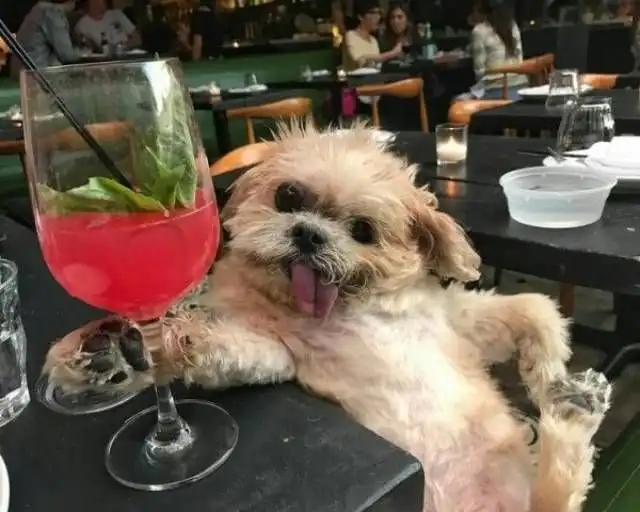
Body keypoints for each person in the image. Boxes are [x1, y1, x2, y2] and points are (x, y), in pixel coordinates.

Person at [469, 0, 527, 100]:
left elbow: (479, 72)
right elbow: (520, 60)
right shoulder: (512, 25)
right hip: (520, 87)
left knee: (458, 100)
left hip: (497, 90)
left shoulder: (479, 31)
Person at [11, 0, 80, 77]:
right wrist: (85, 53)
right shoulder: (52, 13)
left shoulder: (38, 9)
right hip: (35, 76)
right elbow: (67, 55)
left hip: (21, 73)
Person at [342, 0, 403, 72]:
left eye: (379, 13)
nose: (378, 17)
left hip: (374, 78)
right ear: (360, 16)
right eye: (373, 13)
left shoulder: (373, 40)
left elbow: (376, 64)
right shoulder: (351, 35)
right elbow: (361, 61)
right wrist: (393, 53)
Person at [75, 0, 141, 51]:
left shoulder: (117, 14)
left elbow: (138, 39)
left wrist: (124, 46)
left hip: (129, 58)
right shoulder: (82, 25)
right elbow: (88, 50)